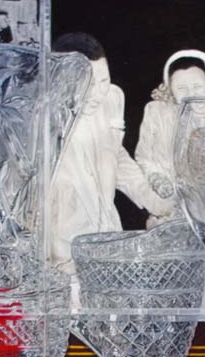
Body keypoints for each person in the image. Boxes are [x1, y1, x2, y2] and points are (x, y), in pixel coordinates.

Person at [48, 32, 173, 272]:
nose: (97, 93)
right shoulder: (42, 116)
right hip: (60, 243)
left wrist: (153, 200)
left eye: (103, 80)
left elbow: (116, 155)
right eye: (87, 84)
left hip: (106, 233)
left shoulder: (112, 98)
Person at [134, 49, 205, 226]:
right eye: (181, 88)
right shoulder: (156, 112)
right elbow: (143, 157)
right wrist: (157, 180)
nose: (190, 93)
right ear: (171, 90)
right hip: (167, 212)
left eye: (197, 86)